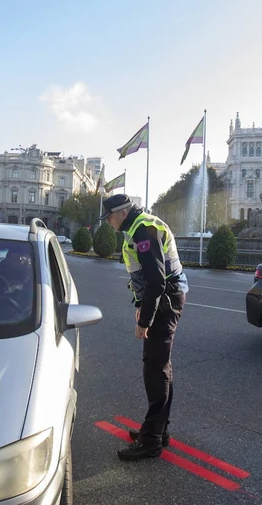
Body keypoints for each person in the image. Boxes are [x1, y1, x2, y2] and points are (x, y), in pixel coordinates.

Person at [101, 193, 189, 461]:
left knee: (155, 369)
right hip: (165, 300)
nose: (108, 223)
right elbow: (147, 280)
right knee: (161, 368)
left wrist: (144, 321)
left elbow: (156, 282)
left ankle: (151, 441)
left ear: (121, 212)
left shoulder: (144, 231)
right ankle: (158, 431)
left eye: (109, 217)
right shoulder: (140, 227)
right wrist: (141, 304)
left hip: (165, 301)